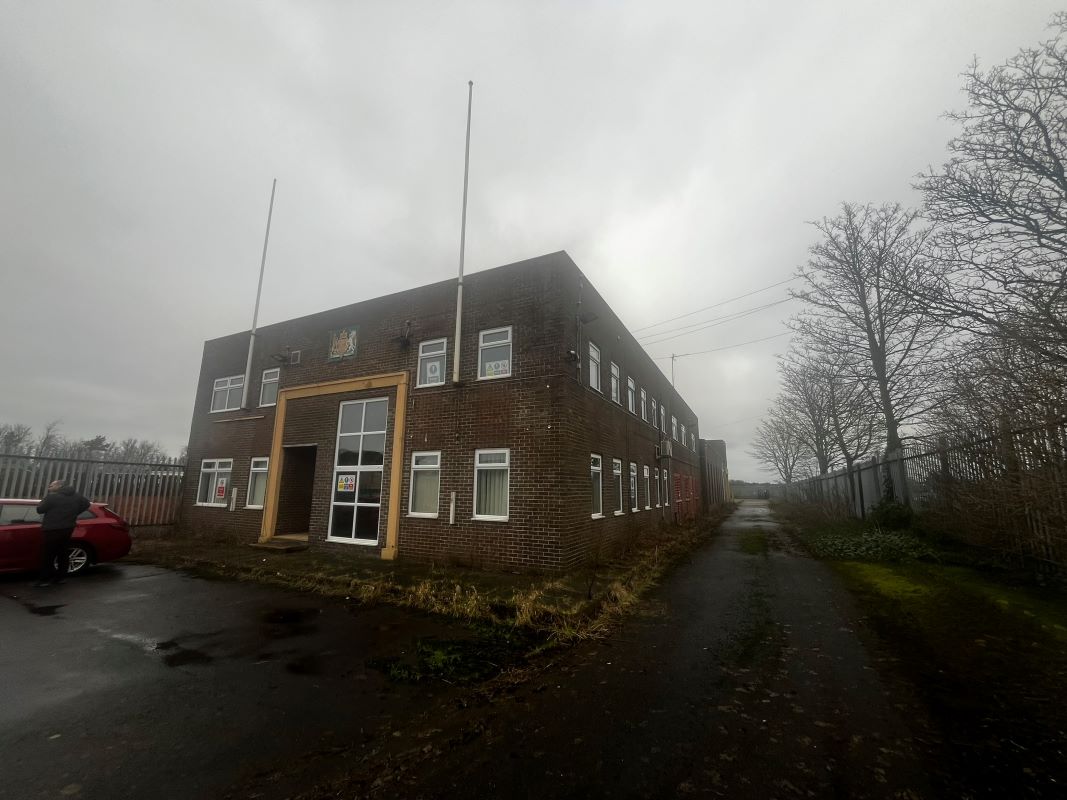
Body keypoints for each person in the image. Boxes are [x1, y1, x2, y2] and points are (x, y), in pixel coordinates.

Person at [34, 480, 90, 586]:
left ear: (59, 486)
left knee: (48, 555)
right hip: (67, 528)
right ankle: (60, 578)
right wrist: (74, 512)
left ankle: (44, 580)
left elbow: (40, 509)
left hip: (52, 529)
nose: (49, 487)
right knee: (62, 553)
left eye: (51, 485)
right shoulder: (77, 496)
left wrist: (45, 499)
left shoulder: (52, 497)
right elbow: (87, 504)